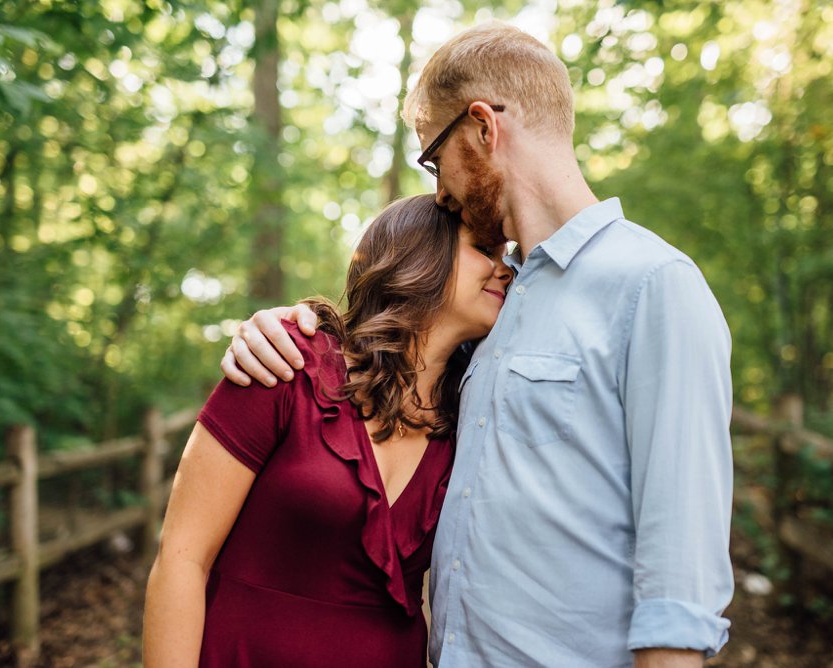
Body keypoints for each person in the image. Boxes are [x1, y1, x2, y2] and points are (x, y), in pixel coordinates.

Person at [222, 22, 734, 668]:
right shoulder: (491, 301)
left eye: (436, 160)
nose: (439, 191)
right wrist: (275, 328)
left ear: (484, 129)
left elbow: (680, 584)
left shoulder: (652, 287)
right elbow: (383, 376)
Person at [142, 194, 513, 667]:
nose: (505, 270)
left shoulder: (474, 417)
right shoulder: (287, 362)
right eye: (485, 249)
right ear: (420, 254)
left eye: (507, 258)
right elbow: (181, 560)